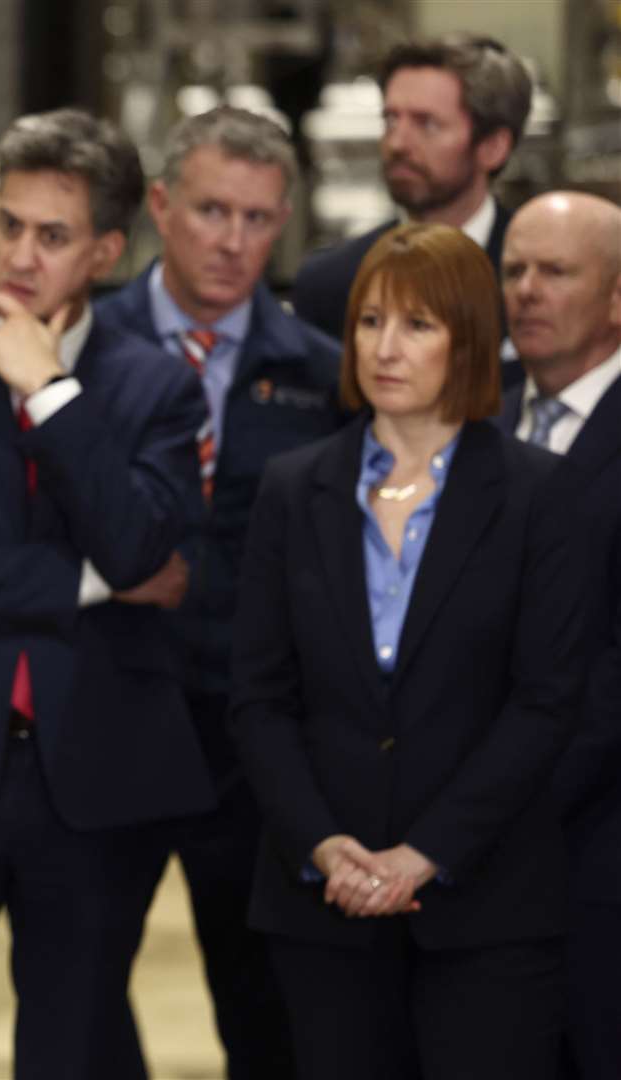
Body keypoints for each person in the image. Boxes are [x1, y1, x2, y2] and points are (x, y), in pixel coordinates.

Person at [0, 107, 214, 1078]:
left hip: (98, 775)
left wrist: (50, 395)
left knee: (77, 1052)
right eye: (6, 224)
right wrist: (102, 581)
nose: (15, 253)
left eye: (50, 235)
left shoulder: (157, 387)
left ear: (104, 249)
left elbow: (143, 537)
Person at [230, 222, 589, 1080]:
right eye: (368, 323)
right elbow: (258, 696)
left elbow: (546, 700)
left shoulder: (541, 494)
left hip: (488, 903)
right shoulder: (292, 489)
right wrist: (325, 846)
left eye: (418, 325)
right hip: (321, 902)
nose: (384, 348)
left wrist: (424, 854)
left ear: (470, 340)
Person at [94, 104, 343, 1080]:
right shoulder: (81, 345)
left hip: (252, 748)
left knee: (264, 1010)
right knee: (76, 1001)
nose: (232, 240)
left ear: (284, 222)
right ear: (161, 206)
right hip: (107, 719)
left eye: (257, 217)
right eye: (210, 211)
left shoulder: (324, 374)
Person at [497, 191, 621, 1080]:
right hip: (472, 848)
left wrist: (505, 804)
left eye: (556, 272)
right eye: (513, 271)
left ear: (617, 298)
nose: (526, 292)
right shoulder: (476, 413)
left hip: (598, 840)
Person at [290, 34, 532, 340]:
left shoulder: (536, 282)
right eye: (391, 120)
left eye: (426, 123)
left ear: (493, 147)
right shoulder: (330, 283)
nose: (397, 143)